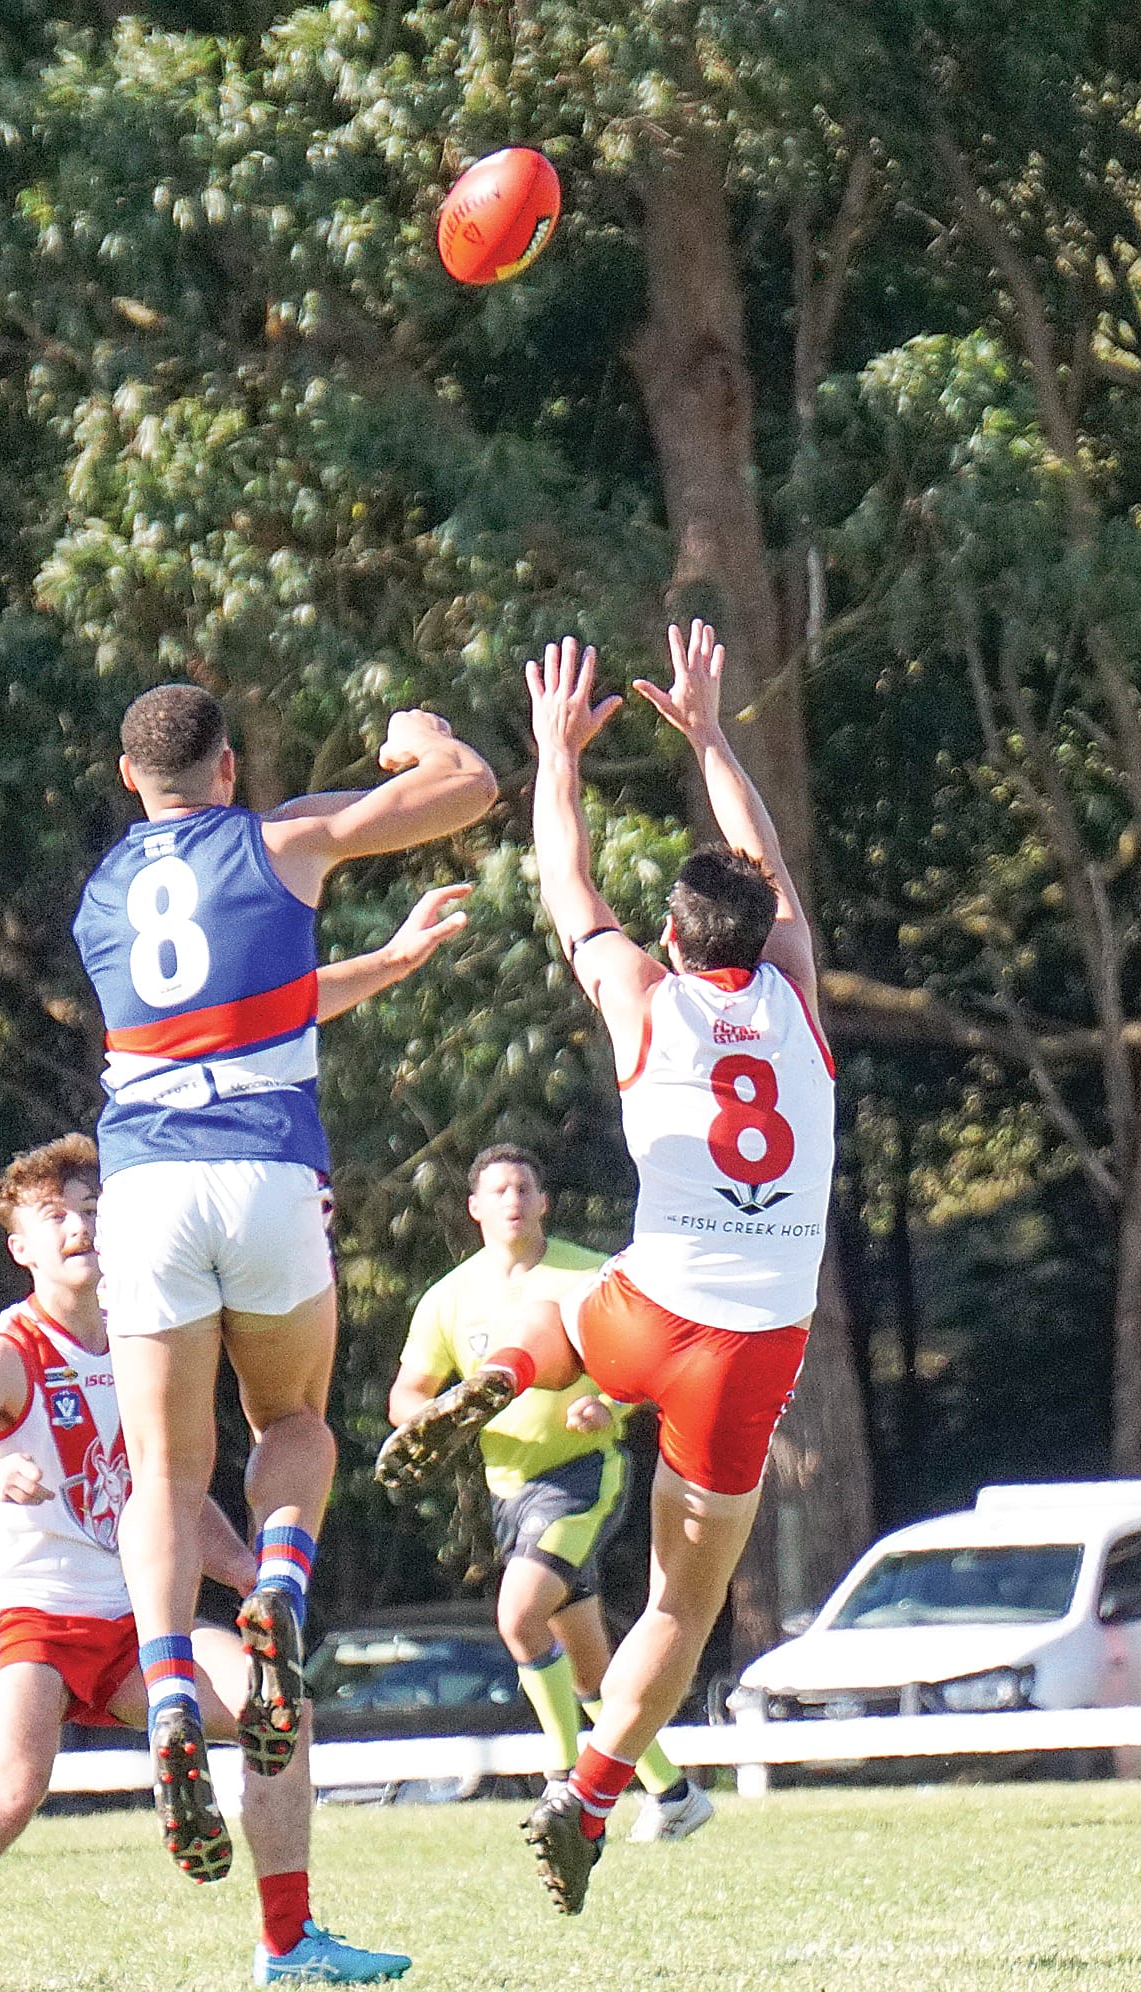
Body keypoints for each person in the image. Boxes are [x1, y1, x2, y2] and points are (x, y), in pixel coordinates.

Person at [0, 904, 463, 1992]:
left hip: (135, 1622)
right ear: (19, 1246)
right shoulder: (7, 1350)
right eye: (52, 1218)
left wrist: (246, 1583)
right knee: (13, 1787)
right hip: (30, 1612)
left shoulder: (152, 1330)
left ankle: (288, 1938)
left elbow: (171, 1500)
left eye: (89, 1208)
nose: (78, 1226)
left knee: (279, 1704)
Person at [377, 623, 834, 1913]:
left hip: (642, 1315)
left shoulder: (641, 992)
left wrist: (554, 756)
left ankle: (509, 1370)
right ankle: (587, 1798)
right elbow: (773, 869)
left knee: (553, 1299)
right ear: (762, 930)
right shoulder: (796, 997)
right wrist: (712, 735)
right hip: (753, 1349)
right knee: (680, 1609)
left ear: (678, 937)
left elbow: (564, 878)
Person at [72, 682, 496, 1877]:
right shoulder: (280, 835)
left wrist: (390, 963)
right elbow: (466, 789)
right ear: (230, 766)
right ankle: (279, 1580)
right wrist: (422, 739)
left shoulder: (102, 895)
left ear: (127, 777)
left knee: (163, 1466)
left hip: (146, 1184)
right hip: (263, 1167)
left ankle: (166, 1687)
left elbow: (243, 1008)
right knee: (294, 1418)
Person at [382, 1143, 711, 1843]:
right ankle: (675, 1793)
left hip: (581, 1478)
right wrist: (431, 1420)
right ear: (474, 1207)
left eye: (524, 1186)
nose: (512, 1199)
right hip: (509, 1490)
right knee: (591, 1675)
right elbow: (407, 1393)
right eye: (497, 1189)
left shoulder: (589, 1275)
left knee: (518, 1614)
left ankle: (562, 1777)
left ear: (544, 1201)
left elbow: (650, 1367)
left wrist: (611, 1407)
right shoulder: (450, 1296)